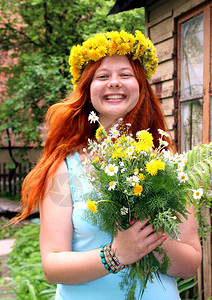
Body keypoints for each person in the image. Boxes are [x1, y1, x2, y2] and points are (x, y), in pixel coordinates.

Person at [12, 30, 202, 299]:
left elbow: (191, 264)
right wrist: (116, 255)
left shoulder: (167, 164)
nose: (114, 82)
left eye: (125, 74)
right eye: (102, 76)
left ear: (141, 86)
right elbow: (52, 265)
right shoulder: (65, 168)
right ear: (88, 90)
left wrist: (151, 240)